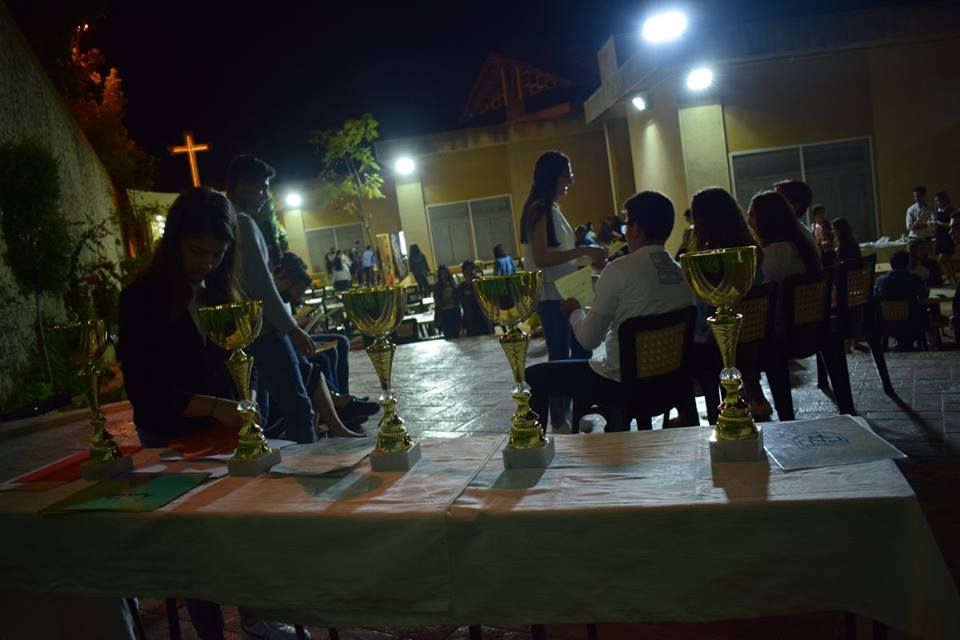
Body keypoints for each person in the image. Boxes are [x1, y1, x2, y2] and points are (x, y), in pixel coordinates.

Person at [119, 187, 308, 640]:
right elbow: (145, 391)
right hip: (169, 435)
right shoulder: (141, 298)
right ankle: (209, 632)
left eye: (217, 254)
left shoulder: (220, 289)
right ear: (174, 243)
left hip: (222, 433)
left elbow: (236, 359)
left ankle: (254, 618)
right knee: (192, 542)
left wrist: (246, 397)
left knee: (239, 529)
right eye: (197, 251)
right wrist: (215, 406)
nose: (206, 264)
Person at [525, 191, 694, 430]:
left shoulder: (619, 270)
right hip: (669, 382)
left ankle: (536, 446)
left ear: (635, 229)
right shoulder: (681, 272)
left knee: (534, 377)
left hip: (619, 385)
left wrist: (575, 312)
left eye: (627, 225)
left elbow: (588, 340)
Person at [227, 155, 317, 446]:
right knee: (298, 407)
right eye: (262, 188)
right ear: (243, 185)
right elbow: (262, 285)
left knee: (258, 412)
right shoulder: (243, 223)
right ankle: (311, 464)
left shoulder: (224, 220)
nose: (265, 196)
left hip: (239, 330)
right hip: (264, 329)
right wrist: (291, 328)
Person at [519, 151, 608, 432]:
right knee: (560, 356)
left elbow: (559, 254)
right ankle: (560, 416)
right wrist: (582, 251)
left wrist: (585, 260)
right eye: (567, 174)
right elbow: (542, 256)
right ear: (553, 177)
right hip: (552, 294)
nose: (570, 180)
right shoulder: (539, 209)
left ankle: (578, 408)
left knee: (582, 348)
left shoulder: (552, 208)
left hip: (568, 291)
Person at [272, 253, 373, 435]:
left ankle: (342, 398)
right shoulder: (273, 294)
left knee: (341, 341)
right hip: (288, 342)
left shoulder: (284, 293)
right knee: (325, 357)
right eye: (298, 292)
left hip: (295, 336)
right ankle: (338, 404)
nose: (299, 297)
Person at [690, 187, 764, 421]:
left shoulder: (710, 258)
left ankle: (704, 415)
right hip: (755, 339)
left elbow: (705, 313)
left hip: (717, 345)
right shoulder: (751, 252)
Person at [875, 250, 930, 350]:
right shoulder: (914, 279)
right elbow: (924, 294)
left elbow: (875, 298)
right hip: (912, 322)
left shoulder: (880, 281)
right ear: (907, 263)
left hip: (887, 323)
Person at [458, 260, 493, 336]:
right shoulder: (461, 287)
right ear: (463, 272)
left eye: (471, 269)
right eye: (467, 270)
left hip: (484, 319)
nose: (470, 272)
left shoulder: (481, 283)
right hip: (470, 321)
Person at [933, 191, 956, 284]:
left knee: (943, 259)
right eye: (935, 201)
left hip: (948, 237)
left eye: (938, 200)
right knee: (946, 260)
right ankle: (950, 278)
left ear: (944, 200)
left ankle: (951, 278)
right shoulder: (937, 211)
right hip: (939, 237)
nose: (936, 203)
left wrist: (940, 223)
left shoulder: (951, 210)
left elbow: (953, 225)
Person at [434, 264, 461, 338]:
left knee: (456, 334)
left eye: (445, 273)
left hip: (454, 312)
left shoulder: (453, 284)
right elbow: (437, 300)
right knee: (448, 335)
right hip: (444, 314)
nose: (444, 275)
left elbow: (458, 296)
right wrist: (444, 302)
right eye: (442, 274)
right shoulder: (437, 287)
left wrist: (453, 299)